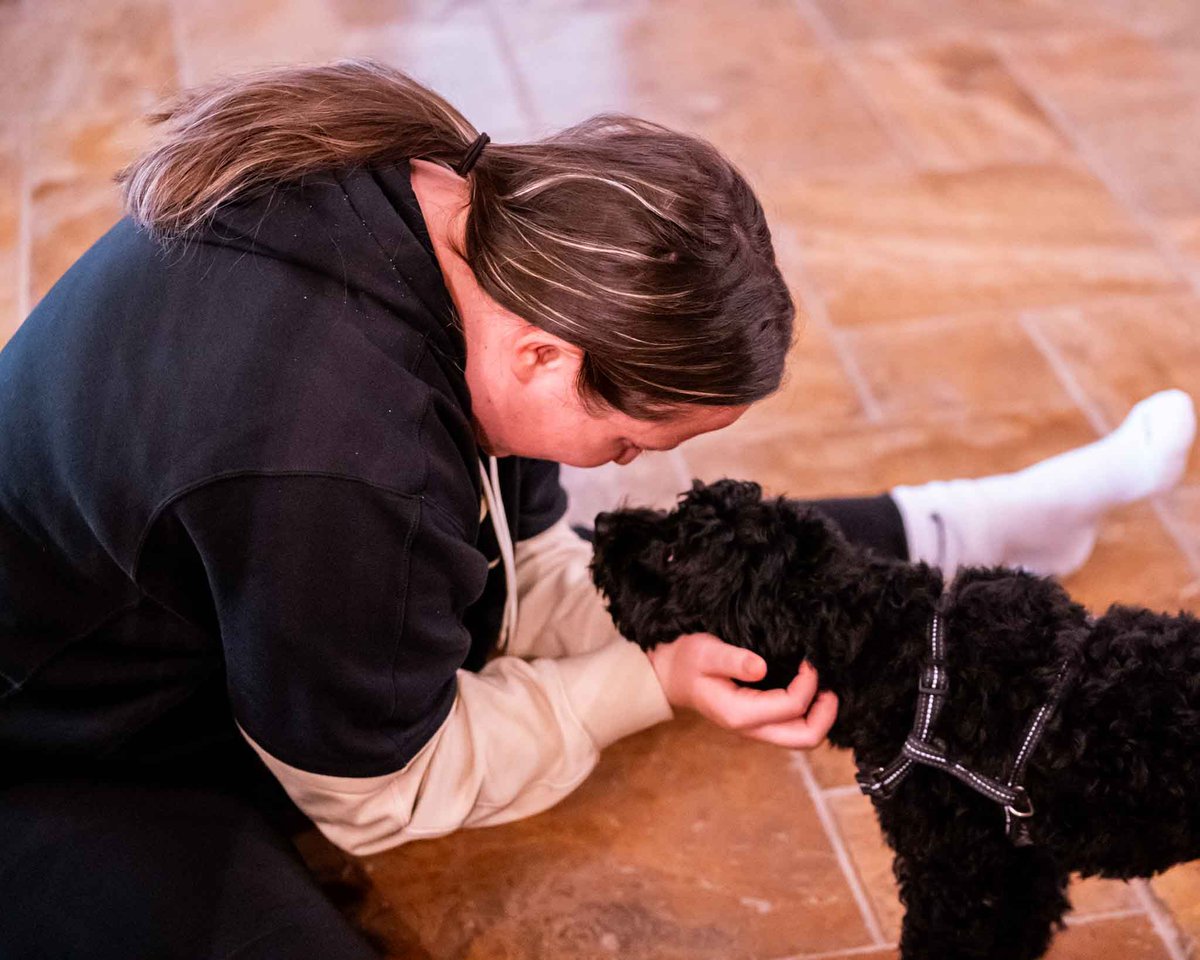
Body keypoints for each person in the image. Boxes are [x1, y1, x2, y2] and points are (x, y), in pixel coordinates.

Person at [0, 60, 1193, 959]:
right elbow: (378, 790)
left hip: (249, 617)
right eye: (629, 442)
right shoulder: (338, 464)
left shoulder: (472, 223)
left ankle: (988, 515)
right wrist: (653, 683)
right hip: (74, 748)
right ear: (544, 358)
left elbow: (521, 570)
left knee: (750, 578)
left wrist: (663, 643)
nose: (626, 463)